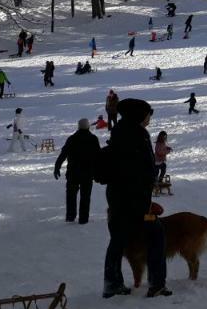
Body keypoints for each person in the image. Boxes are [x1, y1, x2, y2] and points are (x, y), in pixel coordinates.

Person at [101, 98, 170, 298]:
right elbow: (143, 170)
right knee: (157, 234)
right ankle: (157, 283)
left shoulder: (119, 131)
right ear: (139, 115)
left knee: (117, 240)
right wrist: (145, 200)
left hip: (116, 198)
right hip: (134, 202)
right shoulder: (138, 135)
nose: (150, 118)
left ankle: (112, 283)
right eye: (148, 113)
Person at [55, 118, 101, 224]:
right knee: (85, 196)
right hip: (88, 173)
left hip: (73, 173)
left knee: (71, 195)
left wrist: (57, 166)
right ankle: (83, 219)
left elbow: (63, 154)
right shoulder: (93, 139)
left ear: (78, 126)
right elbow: (98, 157)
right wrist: (99, 171)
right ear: (88, 126)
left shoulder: (72, 139)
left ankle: (70, 216)